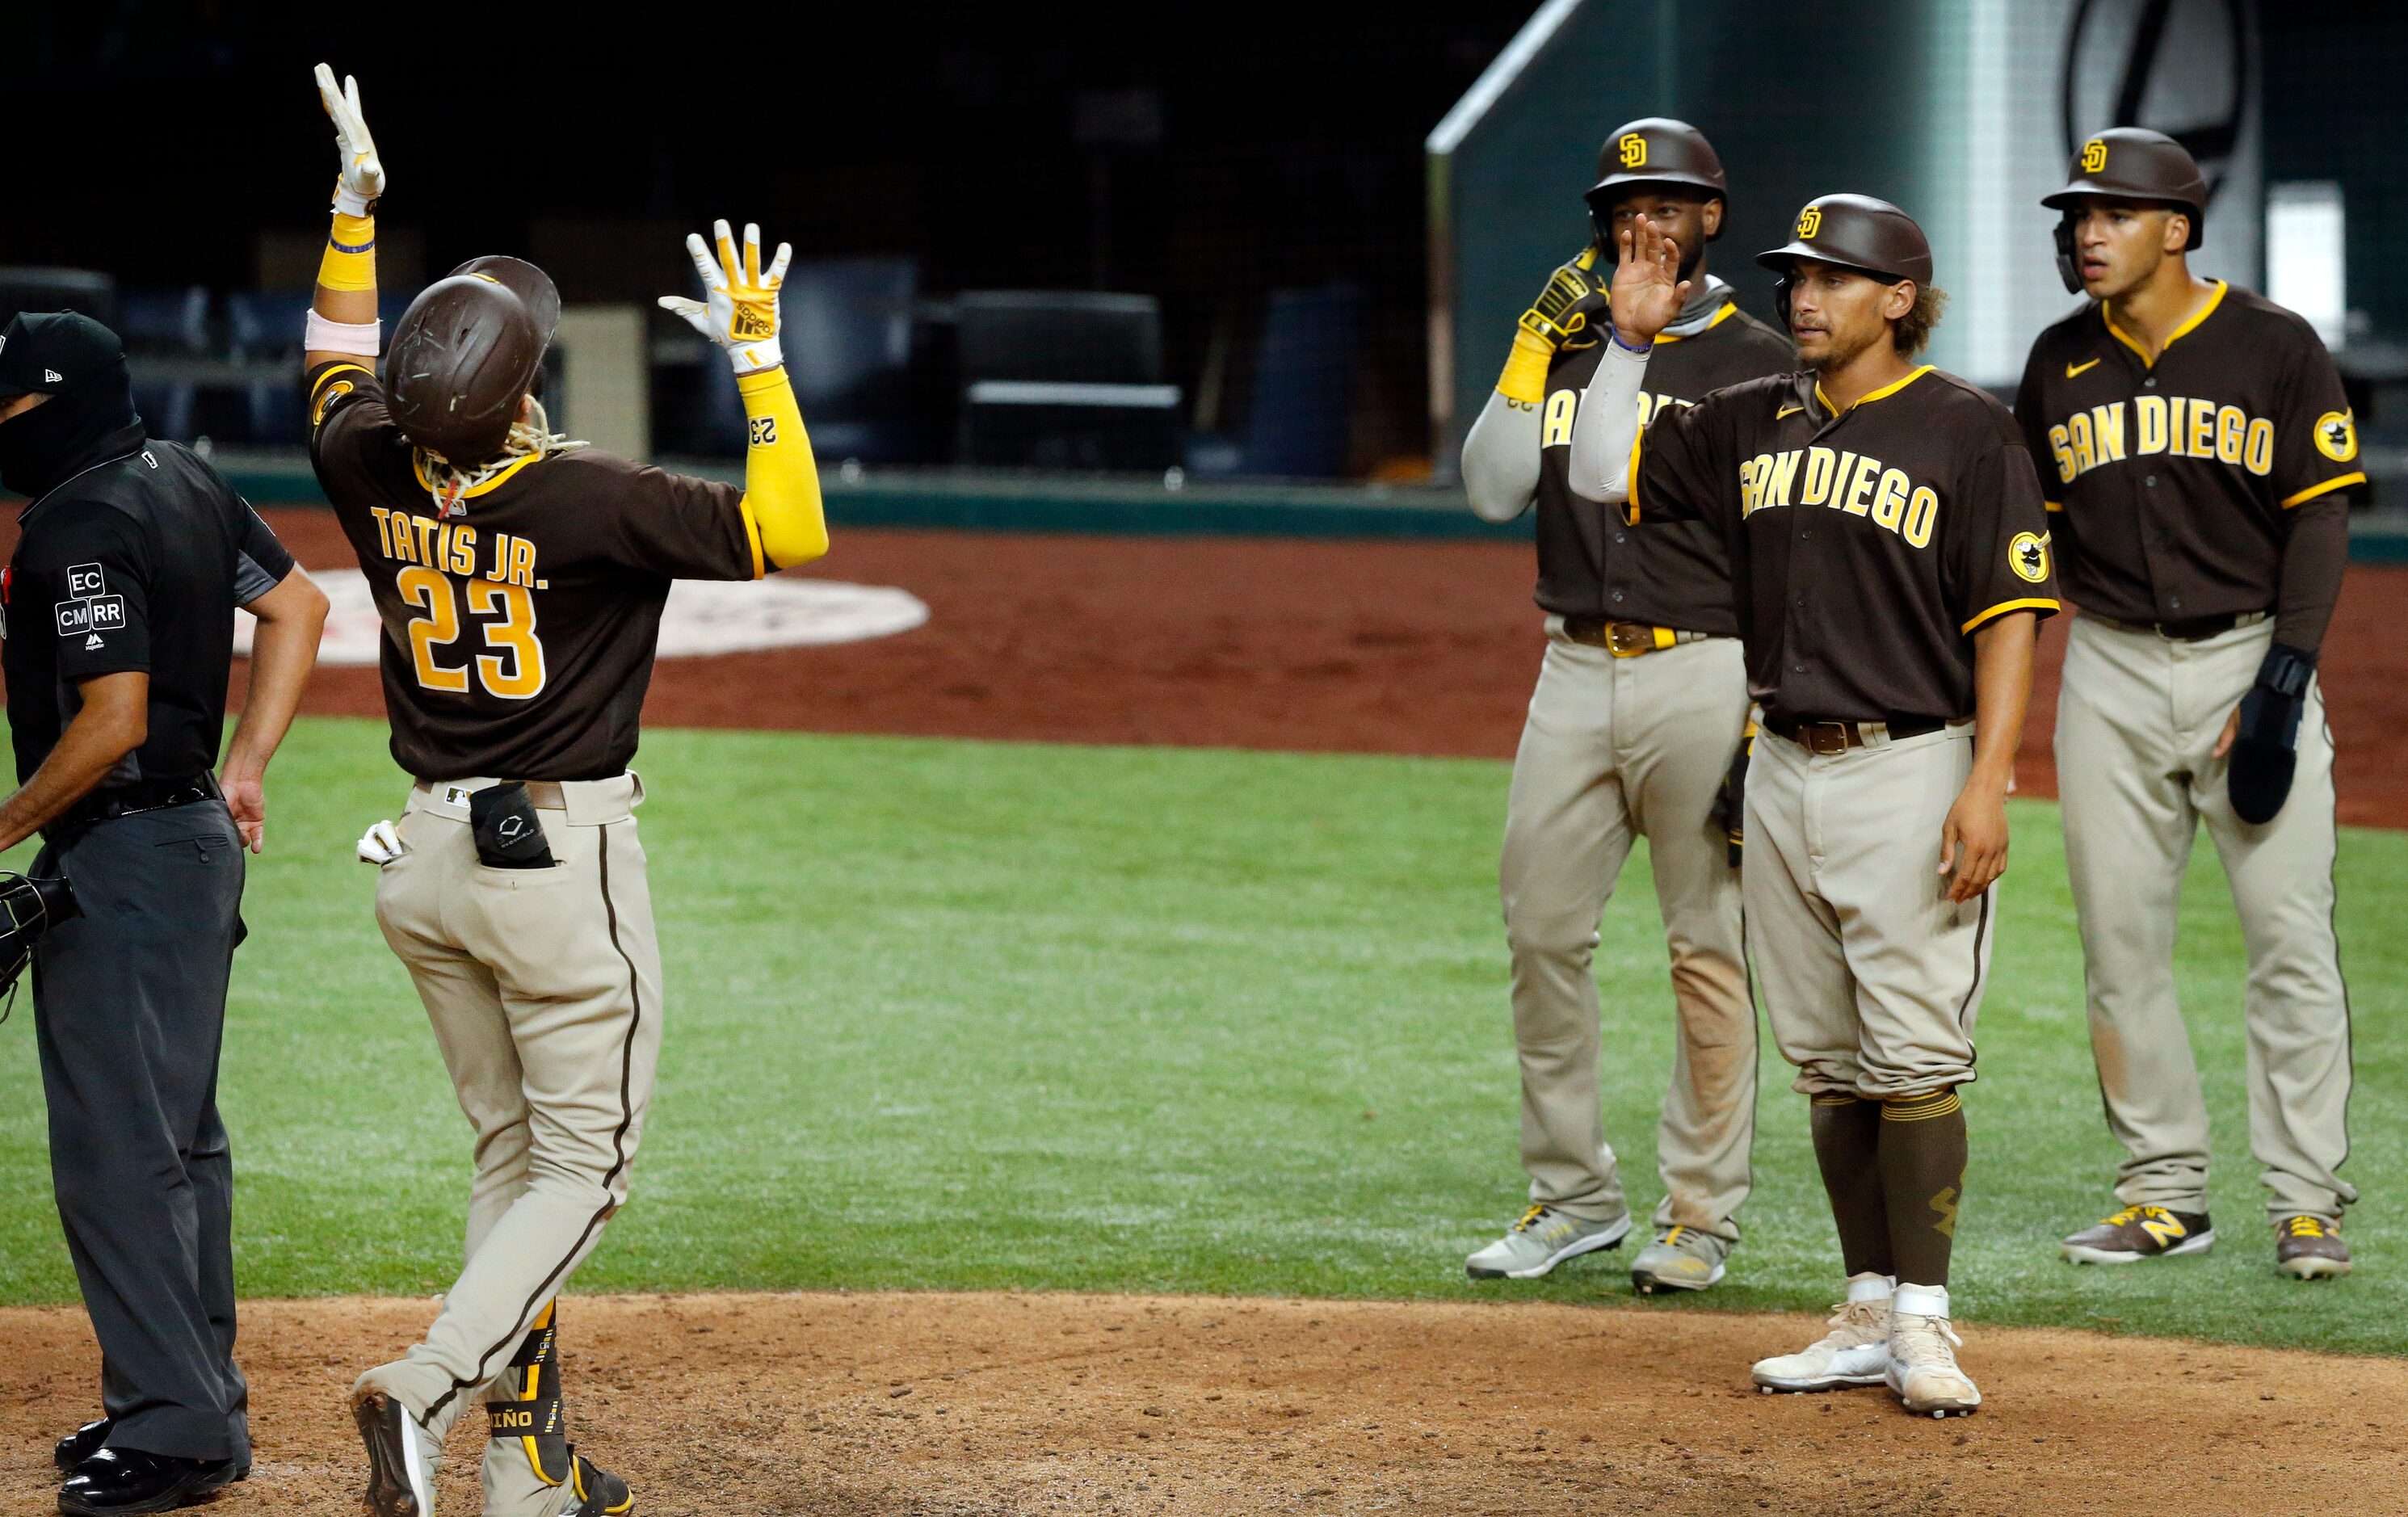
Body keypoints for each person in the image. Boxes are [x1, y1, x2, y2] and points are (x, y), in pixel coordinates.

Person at [295, 65, 829, 1516]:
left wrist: (353, 215)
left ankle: (525, 1469)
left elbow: (333, 360)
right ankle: (424, 1391)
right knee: (588, 1173)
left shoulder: (361, 461)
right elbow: (790, 528)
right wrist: (760, 357)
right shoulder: (590, 500)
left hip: (424, 866)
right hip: (555, 865)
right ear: (524, 388)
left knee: (515, 1164)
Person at [1568, 197, 2056, 1416]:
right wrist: (1626, 348)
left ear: (1897, 298)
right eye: (1794, 279)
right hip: (1778, 764)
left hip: (1912, 764)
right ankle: (1863, 1306)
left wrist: (1989, 781)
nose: (1802, 298)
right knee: (1830, 1063)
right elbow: (1593, 479)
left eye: (1833, 280)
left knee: (1914, 1053)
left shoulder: (1967, 433)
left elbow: (2009, 621)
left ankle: (1928, 1325)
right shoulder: (1746, 418)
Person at [2017, 128, 2360, 1280]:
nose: (2086, 233)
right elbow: (2038, 524)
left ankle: (2306, 1198)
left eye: (2109, 214)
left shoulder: (2272, 347)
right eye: (2078, 217)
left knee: (2288, 939)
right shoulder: (2056, 360)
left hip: (2249, 655)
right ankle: (2163, 1190)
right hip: (2107, 666)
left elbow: (2318, 516)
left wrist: (2280, 682)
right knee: (2118, 945)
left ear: (2176, 226)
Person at [0, 309, 326, 1514]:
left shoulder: (82, 519)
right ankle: (195, 1403)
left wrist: (3, 824)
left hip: (127, 860)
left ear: (58, 403)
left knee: (119, 1155)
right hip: (191, 844)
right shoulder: (180, 474)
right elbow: (298, 608)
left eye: (11, 410)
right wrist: (247, 765)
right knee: (179, 1140)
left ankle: (176, 1431)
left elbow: (113, 719)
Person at [1458, 118, 1788, 1293]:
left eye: (1669, 204)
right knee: (1540, 933)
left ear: (1710, 220)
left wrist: (1769, 703)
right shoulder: (1559, 343)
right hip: (1569, 668)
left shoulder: (1760, 359)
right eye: (1624, 205)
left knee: (1707, 949)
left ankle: (1698, 1211)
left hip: (1707, 668)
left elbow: (1789, 549)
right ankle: (1572, 1192)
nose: (1643, 223)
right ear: (1600, 224)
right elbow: (1493, 491)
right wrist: (1524, 347)